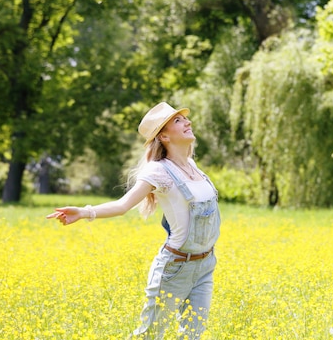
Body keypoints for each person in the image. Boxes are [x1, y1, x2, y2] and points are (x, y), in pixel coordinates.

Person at [47, 102, 221, 339]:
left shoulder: (192, 166)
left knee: (193, 334)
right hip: (175, 267)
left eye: (185, 119)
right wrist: (84, 211)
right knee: (150, 335)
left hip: (205, 265)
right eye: (178, 121)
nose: (187, 122)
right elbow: (122, 205)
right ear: (164, 136)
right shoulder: (158, 172)